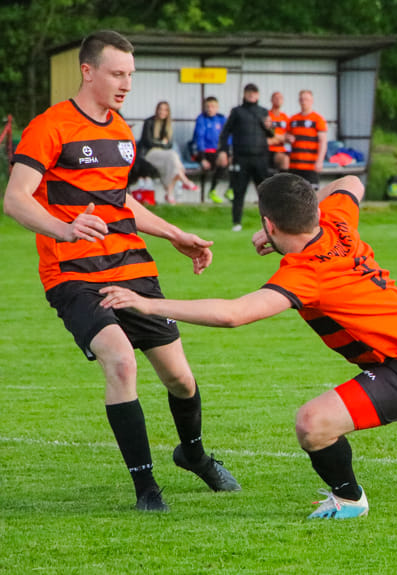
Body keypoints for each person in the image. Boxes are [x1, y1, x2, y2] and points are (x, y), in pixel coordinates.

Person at [99, 173, 397, 517]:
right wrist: (283, 230)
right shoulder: (335, 219)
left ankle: (349, 500)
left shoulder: (304, 273)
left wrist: (145, 304)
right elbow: (350, 179)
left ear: (269, 223)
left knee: (313, 424)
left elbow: (232, 314)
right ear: (311, 209)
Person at [2, 30, 240, 513]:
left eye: (130, 74)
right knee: (121, 360)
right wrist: (63, 228)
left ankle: (192, 454)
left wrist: (173, 233)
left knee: (180, 380)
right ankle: (146, 489)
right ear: (87, 71)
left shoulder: (120, 130)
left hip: (131, 267)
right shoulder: (51, 126)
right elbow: (15, 198)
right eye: (117, 73)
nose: (126, 83)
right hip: (73, 275)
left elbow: (119, 201)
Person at [218, 83, 272, 231]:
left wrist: (269, 127)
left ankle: (269, 223)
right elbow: (225, 133)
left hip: (260, 157)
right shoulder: (237, 112)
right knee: (238, 191)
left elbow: (271, 134)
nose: (251, 95)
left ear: (258, 95)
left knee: (265, 192)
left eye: (254, 92)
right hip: (241, 157)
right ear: (244, 94)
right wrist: (223, 150)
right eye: (248, 92)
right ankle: (236, 222)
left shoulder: (263, 112)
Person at [139, 101, 199, 204]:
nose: (162, 112)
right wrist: (162, 143)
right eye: (160, 109)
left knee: (173, 162)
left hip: (164, 155)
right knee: (172, 157)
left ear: (168, 112)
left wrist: (160, 143)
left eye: (165, 109)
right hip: (149, 154)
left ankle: (170, 194)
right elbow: (148, 142)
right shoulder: (149, 122)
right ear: (157, 110)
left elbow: (170, 144)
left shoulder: (167, 125)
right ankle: (184, 182)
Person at [192, 96, 230, 203]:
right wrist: (203, 158)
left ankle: (230, 189)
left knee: (237, 161)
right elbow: (199, 139)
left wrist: (228, 151)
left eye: (212, 106)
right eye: (207, 106)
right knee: (223, 162)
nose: (210, 109)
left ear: (217, 108)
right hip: (205, 153)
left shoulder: (222, 119)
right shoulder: (201, 119)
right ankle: (212, 190)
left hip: (219, 152)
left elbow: (228, 137)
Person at [287, 90, 328, 187]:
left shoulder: (318, 119)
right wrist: (288, 138)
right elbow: (285, 137)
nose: (303, 102)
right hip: (294, 164)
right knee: (294, 193)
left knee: (312, 193)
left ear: (311, 101)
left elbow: (323, 141)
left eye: (306, 99)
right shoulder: (293, 119)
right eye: (301, 99)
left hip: (311, 165)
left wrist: (320, 161)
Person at [267, 91, 291, 171]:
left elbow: (288, 137)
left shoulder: (285, 117)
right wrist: (281, 138)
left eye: (280, 98)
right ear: (271, 100)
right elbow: (268, 133)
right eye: (276, 98)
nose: (278, 100)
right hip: (268, 150)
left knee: (285, 160)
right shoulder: (267, 115)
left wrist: (274, 138)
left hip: (281, 150)